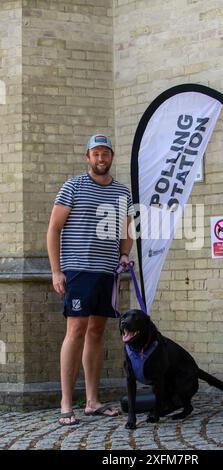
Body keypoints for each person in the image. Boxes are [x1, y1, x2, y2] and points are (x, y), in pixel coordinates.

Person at [47, 134, 133, 425]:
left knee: (97, 331)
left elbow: (126, 229)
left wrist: (124, 254)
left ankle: (93, 401)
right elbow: (54, 229)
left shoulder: (122, 192)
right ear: (88, 157)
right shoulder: (72, 187)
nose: (100, 159)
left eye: (105, 154)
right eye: (95, 154)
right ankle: (66, 403)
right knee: (76, 330)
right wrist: (57, 271)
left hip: (107, 271)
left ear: (111, 157)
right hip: (78, 270)